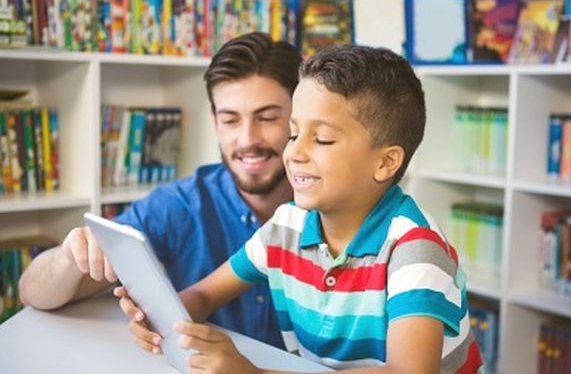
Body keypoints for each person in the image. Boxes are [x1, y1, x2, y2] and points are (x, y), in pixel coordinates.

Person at [117, 45, 485, 373]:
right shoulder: (288, 226)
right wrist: (161, 317)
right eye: (294, 133)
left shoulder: (415, 250)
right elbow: (204, 295)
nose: (293, 152)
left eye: (322, 138)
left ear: (386, 162)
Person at [18, 32, 302, 349]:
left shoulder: (339, 206)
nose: (248, 139)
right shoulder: (179, 205)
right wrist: (70, 258)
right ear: (214, 121)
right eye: (231, 120)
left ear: (299, 117)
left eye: (267, 118)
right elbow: (31, 292)